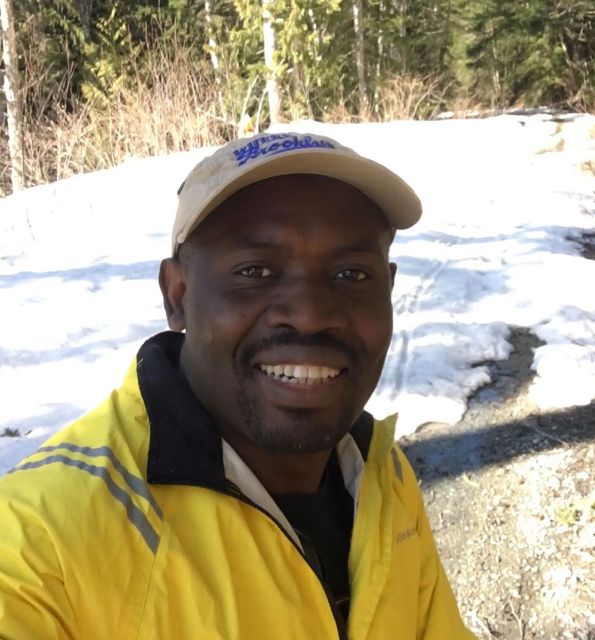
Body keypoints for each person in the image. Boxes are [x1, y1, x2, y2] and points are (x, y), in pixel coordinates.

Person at [0, 132, 476, 639]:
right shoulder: (40, 540)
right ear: (177, 295)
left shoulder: (381, 472)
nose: (310, 315)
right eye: (256, 271)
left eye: (352, 275)